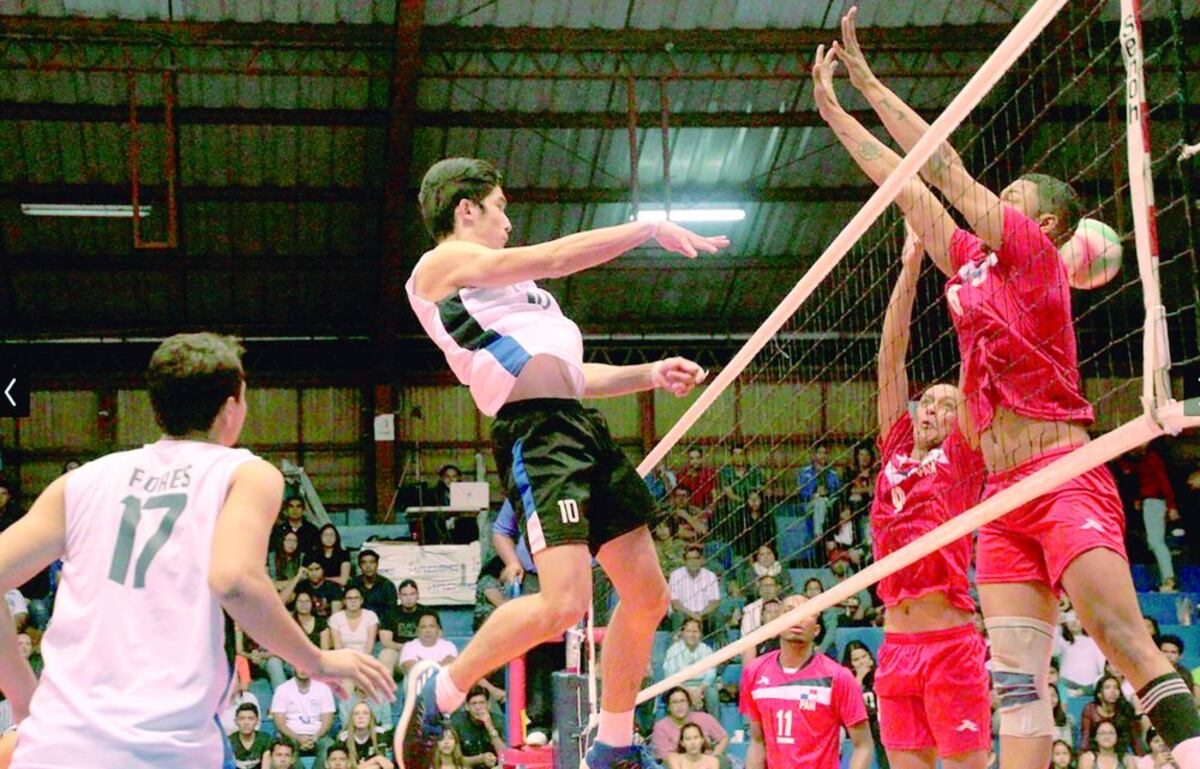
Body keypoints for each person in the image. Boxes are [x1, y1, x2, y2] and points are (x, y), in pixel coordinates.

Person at [817, 10, 1200, 767]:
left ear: (1048, 220)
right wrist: (835, 112)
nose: (1004, 193)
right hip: (999, 495)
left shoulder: (1032, 253)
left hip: (1060, 475)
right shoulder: (967, 263)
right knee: (1018, 685)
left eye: (1016, 189)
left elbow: (945, 169)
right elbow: (907, 187)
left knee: (1122, 639)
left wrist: (869, 81)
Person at [400, 156, 720, 769]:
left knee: (649, 596)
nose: (508, 221)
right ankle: (440, 690)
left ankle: (615, 745)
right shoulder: (440, 265)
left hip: (577, 425)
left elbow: (572, 376)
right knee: (564, 603)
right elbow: (554, 257)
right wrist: (645, 227)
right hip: (537, 436)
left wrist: (649, 374)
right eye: (500, 208)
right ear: (465, 210)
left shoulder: (521, 296)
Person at [0, 333, 392, 768]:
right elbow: (234, 581)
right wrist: (316, 659)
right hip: (165, 749)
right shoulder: (244, 474)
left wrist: (21, 693)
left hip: (55, 746)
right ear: (231, 408)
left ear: (157, 407)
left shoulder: (81, 482)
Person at [860, 220, 991, 768]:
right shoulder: (894, 451)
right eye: (927, 403)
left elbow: (972, 372)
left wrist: (969, 289)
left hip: (949, 647)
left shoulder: (962, 458)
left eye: (945, 403)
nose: (933, 409)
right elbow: (890, 359)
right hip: (896, 649)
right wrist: (911, 264)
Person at [740, 594, 874, 769]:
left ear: (816, 630)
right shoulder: (754, 672)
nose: (796, 617)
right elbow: (757, 743)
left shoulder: (838, 676)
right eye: (790, 611)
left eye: (805, 613)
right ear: (777, 625)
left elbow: (863, 746)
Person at [1117, 446, 1180, 593]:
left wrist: (1171, 506)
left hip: (1154, 501)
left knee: (1156, 541)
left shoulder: (1152, 458)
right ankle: (1168, 579)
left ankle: (1169, 580)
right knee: (1155, 541)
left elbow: (1162, 481)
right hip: (1150, 501)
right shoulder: (1144, 460)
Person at [265, 590, 333, 689]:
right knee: (275, 662)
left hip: (315, 662)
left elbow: (324, 650)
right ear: (295, 604)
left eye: (307, 601)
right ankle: (283, 697)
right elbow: (284, 648)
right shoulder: (290, 622)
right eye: (300, 602)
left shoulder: (321, 622)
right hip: (293, 662)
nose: (303, 605)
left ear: (312, 603)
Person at [271, 669, 337, 769]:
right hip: (290, 736)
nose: (303, 669)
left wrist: (315, 737)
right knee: (284, 750)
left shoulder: (323, 689)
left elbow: (327, 721)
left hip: (318, 736)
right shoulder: (282, 689)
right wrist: (297, 737)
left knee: (329, 746)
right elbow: (280, 723)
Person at [650, 687, 729, 764]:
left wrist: (713, 756)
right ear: (668, 707)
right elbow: (665, 755)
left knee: (723, 762)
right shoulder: (660, 727)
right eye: (674, 702)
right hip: (678, 764)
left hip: (706, 763)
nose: (679, 706)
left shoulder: (704, 718)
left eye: (682, 701)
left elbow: (723, 738)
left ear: (689, 703)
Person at [842, 641, 888, 769]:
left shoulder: (880, 674)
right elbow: (850, 703)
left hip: (878, 725)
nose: (861, 662)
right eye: (856, 659)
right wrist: (860, 678)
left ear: (870, 657)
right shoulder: (846, 680)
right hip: (856, 726)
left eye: (864, 656)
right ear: (850, 664)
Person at [662, 618, 719, 715]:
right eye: (688, 631)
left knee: (712, 694)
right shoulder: (673, 650)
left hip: (702, 687)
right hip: (680, 686)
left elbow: (711, 674)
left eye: (695, 631)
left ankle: (713, 728)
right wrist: (690, 693)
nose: (692, 635)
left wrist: (698, 691)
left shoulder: (706, 649)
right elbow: (670, 676)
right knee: (676, 695)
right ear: (682, 633)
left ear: (700, 634)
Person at [1080, 674, 1144, 755]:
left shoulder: (1126, 709)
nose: (1113, 691)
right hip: (1096, 753)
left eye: (1116, 688)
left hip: (1119, 753)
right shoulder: (1089, 709)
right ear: (1099, 694)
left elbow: (1135, 741)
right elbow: (1085, 740)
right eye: (1107, 687)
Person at [668, 546, 722, 634]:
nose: (693, 562)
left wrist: (700, 615)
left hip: (704, 615)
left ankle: (722, 646)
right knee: (678, 616)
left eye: (696, 558)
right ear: (684, 561)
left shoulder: (710, 575)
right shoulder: (675, 575)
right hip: (683, 614)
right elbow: (675, 605)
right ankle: (676, 645)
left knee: (717, 616)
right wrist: (693, 615)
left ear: (702, 560)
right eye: (689, 559)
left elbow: (715, 602)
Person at [449, 686, 506, 768]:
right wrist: (480, 759)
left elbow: (505, 757)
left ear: (489, 705)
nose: (478, 708)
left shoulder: (499, 721)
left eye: (482, 703)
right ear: (467, 707)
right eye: (474, 703)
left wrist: (490, 727)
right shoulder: (457, 723)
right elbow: (453, 758)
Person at [349, 549, 398, 630]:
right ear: (359, 565)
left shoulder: (387, 585)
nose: (368, 566)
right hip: (358, 626)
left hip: (382, 626)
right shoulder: (353, 584)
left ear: (377, 564)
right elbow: (348, 607)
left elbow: (391, 611)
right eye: (364, 563)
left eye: (372, 562)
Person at [339, 700, 395, 769]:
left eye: (365, 713)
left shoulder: (379, 733)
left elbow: (387, 765)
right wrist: (376, 759)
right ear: (352, 719)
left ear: (370, 717)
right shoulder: (344, 738)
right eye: (356, 713)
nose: (360, 717)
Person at [231, 703, 273, 769]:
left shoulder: (265, 739)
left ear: (257, 721)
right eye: (242, 719)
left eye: (250, 718)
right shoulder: (229, 742)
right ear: (236, 721)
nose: (246, 723)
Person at [312, 524, 351, 588]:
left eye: (332, 535)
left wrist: (324, 579)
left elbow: (343, 581)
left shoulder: (343, 554)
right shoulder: (313, 555)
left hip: (337, 589)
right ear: (320, 537)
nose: (329, 538)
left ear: (336, 537)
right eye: (326, 535)